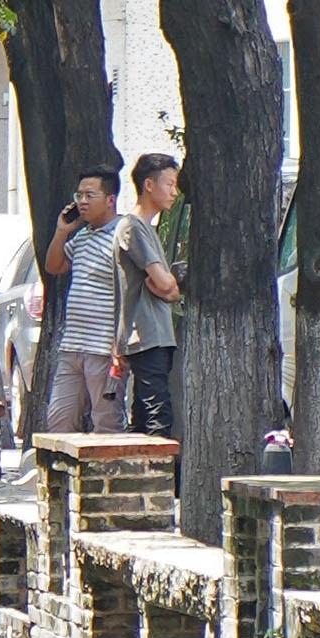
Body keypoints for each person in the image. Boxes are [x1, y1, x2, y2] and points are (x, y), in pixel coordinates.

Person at [38, 164, 131, 433]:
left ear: (110, 199)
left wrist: (121, 342)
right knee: (59, 419)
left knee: (106, 421)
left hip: (104, 348)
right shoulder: (82, 237)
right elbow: (54, 266)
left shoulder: (123, 234)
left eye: (90, 195)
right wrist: (62, 231)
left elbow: (131, 290)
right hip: (73, 344)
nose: (82, 202)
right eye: (79, 195)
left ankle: (109, 475)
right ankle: (61, 475)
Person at [121, 152, 184, 434]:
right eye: (169, 184)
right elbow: (165, 282)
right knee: (157, 418)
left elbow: (168, 289)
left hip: (156, 334)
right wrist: (169, 288)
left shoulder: (147, 228)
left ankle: (143, 475)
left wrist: (169, 290)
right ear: (149, 185)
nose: (174, 191)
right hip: (146, 335)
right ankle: (158, 478)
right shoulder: (133, 227)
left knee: (145, 416)